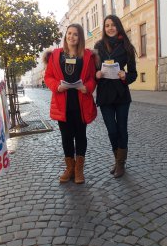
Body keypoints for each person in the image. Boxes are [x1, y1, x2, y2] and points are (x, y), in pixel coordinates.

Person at [43, 23, 98, 184]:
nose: (71, 37)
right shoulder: (56, 55)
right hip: (63, 104)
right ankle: (70, 168)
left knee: (81, 136)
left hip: (81, 102)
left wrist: (86, 87)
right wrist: (57, 87)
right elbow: (49, 76)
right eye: (69, 33)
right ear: (65, 35)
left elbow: (92, 79)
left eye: (75, 34)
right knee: (66, 137)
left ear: (80, 37)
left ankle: (79, 169)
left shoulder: (87, 56)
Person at [94, 15, 137, 178]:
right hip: (105, 94)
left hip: (121, 94)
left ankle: (120, 164)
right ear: (104, 28)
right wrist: (96, 74)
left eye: (112, 25)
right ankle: (117, 159)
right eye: (107, 25)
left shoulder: (127, 46)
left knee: (121, 129)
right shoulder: (98, 47)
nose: (110, 28)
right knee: (112, 130)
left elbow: (133, 74)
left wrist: (125, 75)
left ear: (118, 26)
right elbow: (92, 72)